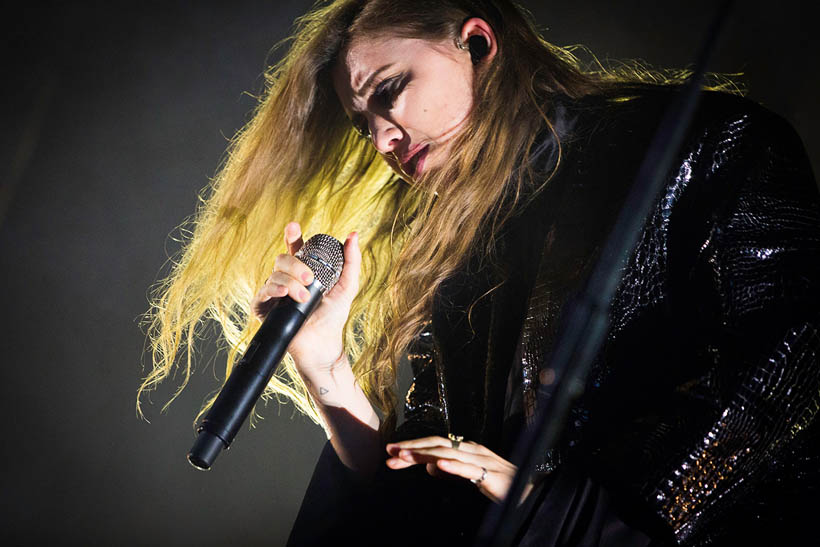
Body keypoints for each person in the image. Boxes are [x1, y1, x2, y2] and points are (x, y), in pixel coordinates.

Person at [137, 1, 820, 545]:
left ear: (478, 43)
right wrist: (325, 366)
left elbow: (791, 364)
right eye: (361, 125)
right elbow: (424, 478)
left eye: (391, 92)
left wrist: (562, 511)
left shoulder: (704, 141)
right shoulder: (460, 251)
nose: (382, 140)